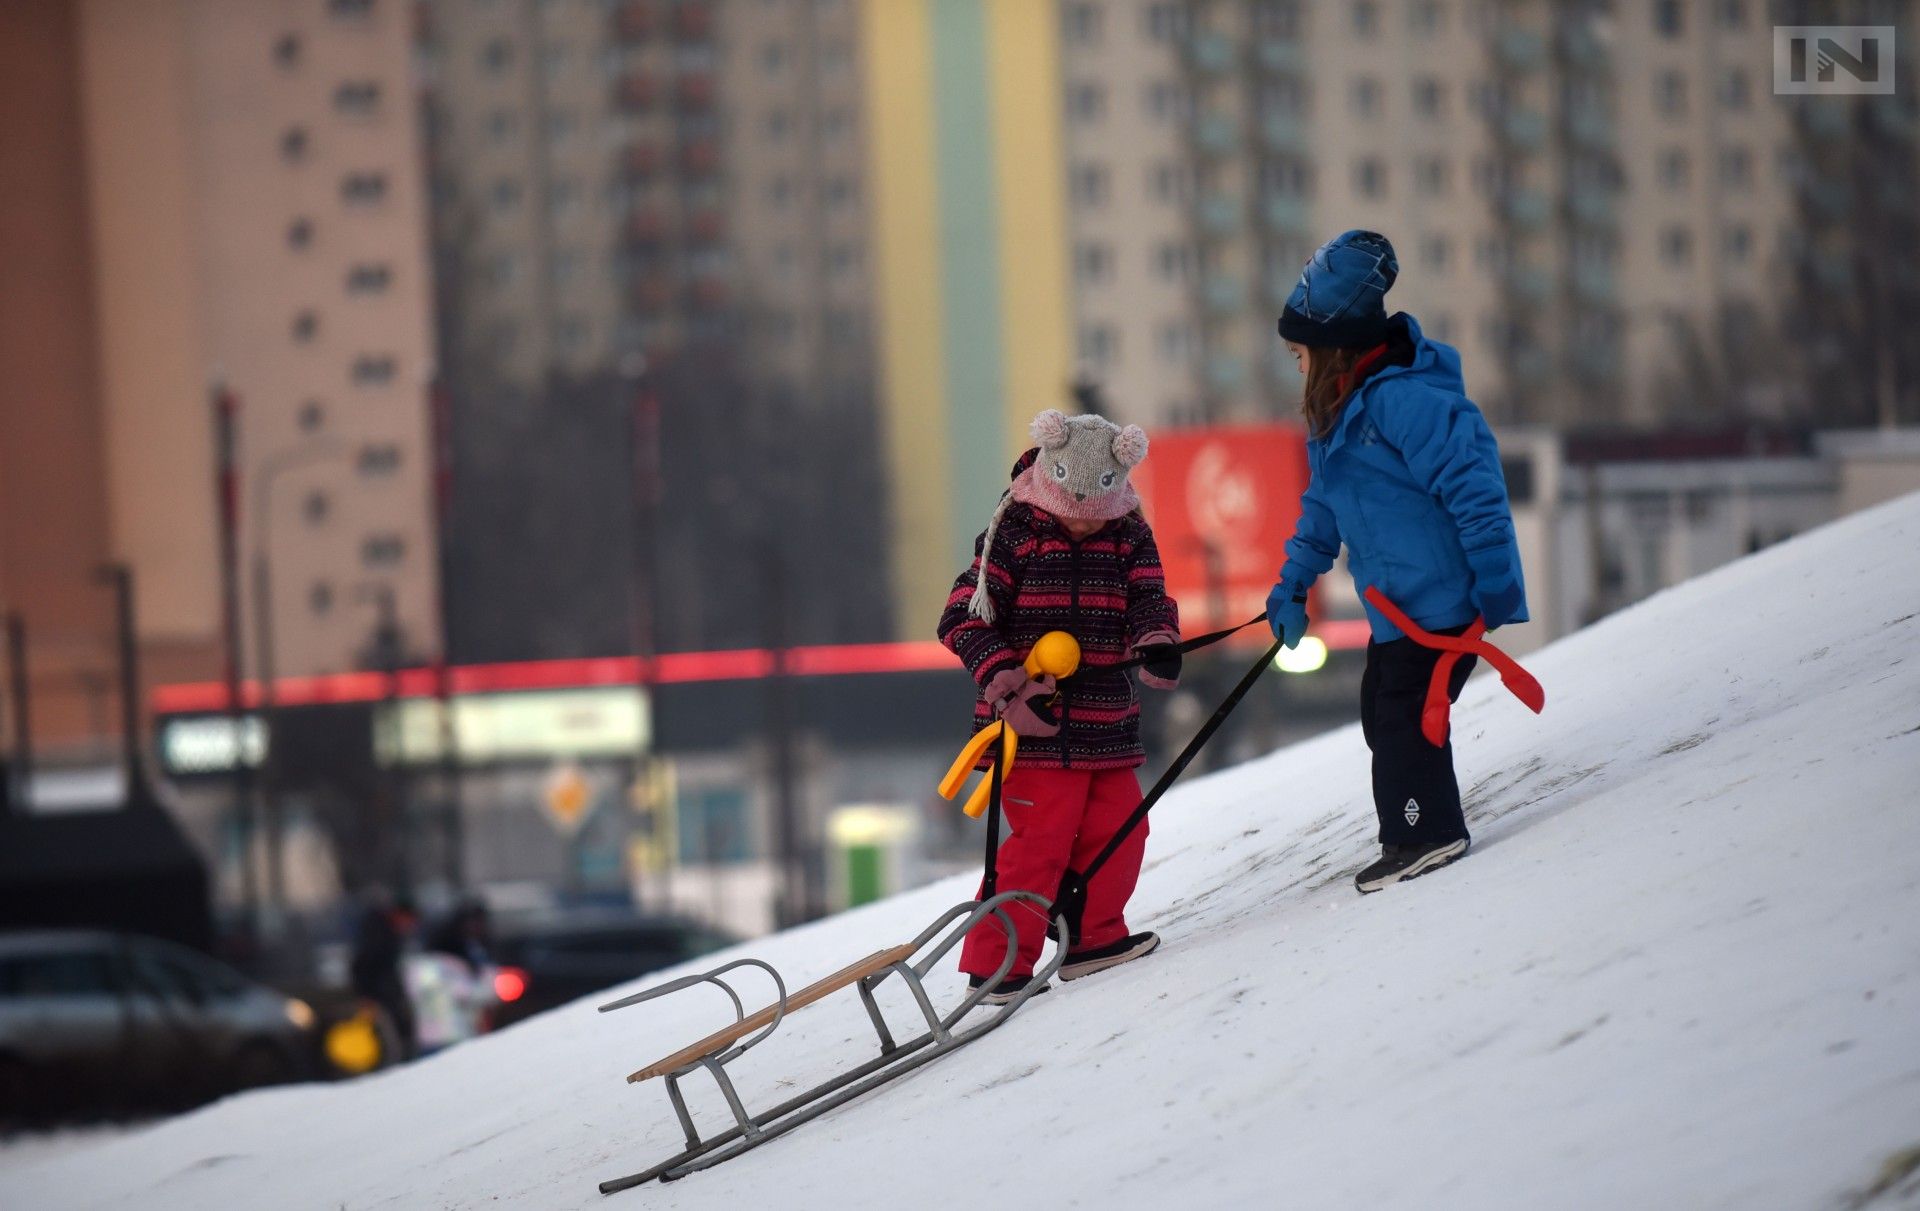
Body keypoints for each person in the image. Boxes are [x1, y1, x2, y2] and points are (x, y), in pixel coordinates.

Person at [1266, 229, 1528, 894]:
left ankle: (1427, 831)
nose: (1298, 367)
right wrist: (1293, 585)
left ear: (1332, 349)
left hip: (1440, 605)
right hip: (1394, 612)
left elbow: (1477, 489)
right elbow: (1321, 511)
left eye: (1301, 353)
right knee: (1381, 716)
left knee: (1406, 723)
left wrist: (1495, 584)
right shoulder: (1338, 419)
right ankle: (1414, 828)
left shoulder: (1405, 401)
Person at [938, 408, 1182, 1003]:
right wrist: (1009, 684)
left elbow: (1150, 600)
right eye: (1067, 516)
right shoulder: (1015, 531)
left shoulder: (1129, 534)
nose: (1078, 527)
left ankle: (1093, 939)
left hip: (1106, 725)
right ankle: (997, 966)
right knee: (1038, 847)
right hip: (1029, 732)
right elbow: (960, 620)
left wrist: (1158, 643)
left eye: (1090, 518)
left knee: (1123, 830)